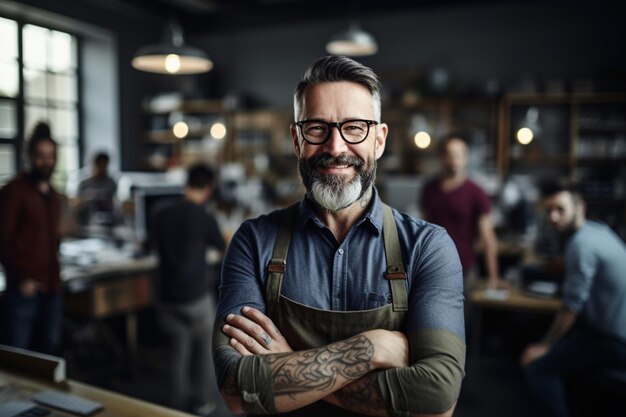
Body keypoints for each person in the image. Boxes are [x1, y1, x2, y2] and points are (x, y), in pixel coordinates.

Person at [212, 56, 465, 417]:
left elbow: (436, 398)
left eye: (355, 128)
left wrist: (286, 369)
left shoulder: (428, 247)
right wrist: (371, 347)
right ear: (297, 140)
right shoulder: (254, 241)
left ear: (378, 140)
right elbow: (235, 389)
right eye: (317, 128)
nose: (335, 147)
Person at [520, 181, 626, 417]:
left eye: (560, 209)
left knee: (538, 367)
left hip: (614, 341)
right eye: (548, 211)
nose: (553, 217)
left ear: (580, 208)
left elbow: (572, 304)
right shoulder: (600, 230)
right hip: (612, 332)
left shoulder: (580, 243)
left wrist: (545, 346)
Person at [151, 163, 226, 416]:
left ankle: (174, 408)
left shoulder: (161, 212)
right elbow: (222, 246)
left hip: (166, 298)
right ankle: (202, 402)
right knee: (203, 353)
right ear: (208, 189)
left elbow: (151, 245)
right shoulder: (203, 217)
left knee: (177, 354)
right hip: (194, 298)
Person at [0, 121, 65, 355]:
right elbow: (3, 240)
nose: (46, 162)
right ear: (29, 156)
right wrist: (20, 278)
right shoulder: (13, 192)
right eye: (40, 156)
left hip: (52, 285)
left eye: (51, 156)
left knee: (50, 351)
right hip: (24, 289)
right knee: (20, 355)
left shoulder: (55, 196)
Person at [420, 134, 506, 290]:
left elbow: (488, 238)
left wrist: (493, 278)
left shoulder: (476, 192)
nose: (454, 160)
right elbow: (423, 228)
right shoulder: (429, 189)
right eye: (450, 155)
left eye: (458, 155)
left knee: (465, 314)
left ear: (466, 158)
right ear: (442, 158)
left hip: (464, 268)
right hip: (431, 267)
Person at [75, 151, 118, 230]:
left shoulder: (111, 183)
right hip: (86, 224)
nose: (102, 168)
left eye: (104, 165)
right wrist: (88, 198)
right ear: (94, 165)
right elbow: (76, 204)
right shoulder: (84, 184)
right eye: (100, 165)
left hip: (107, 224)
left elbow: (115, 204)